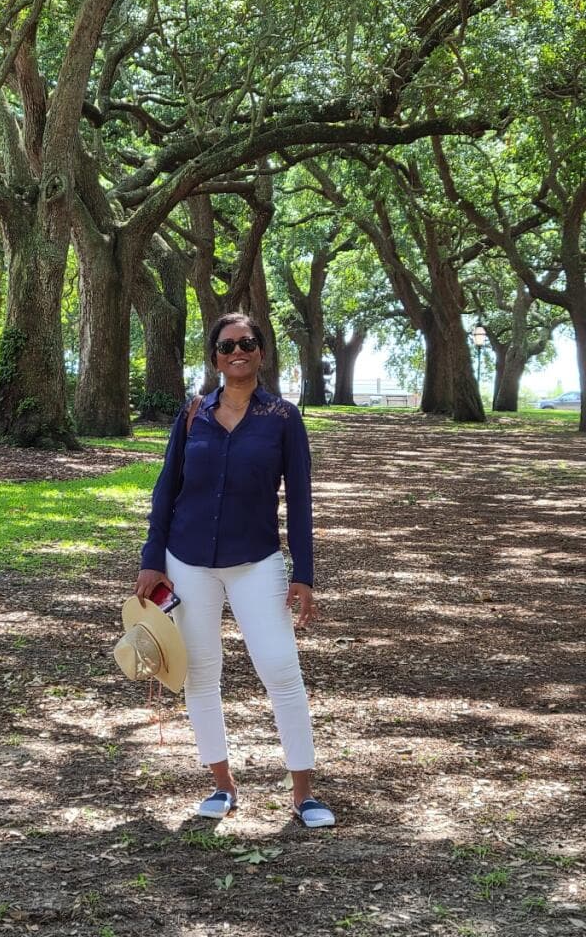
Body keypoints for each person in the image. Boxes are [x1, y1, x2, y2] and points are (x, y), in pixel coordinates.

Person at [134, 312, 335, 828]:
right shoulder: (192, 413)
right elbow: (166, 489)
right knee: (201, 676)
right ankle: (222, 785)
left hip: (256, 562)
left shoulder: (283, 418)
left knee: (280, 670)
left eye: (247, 343)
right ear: (215, 357)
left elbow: (302, 499)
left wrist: (304, 573)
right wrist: (152, 560)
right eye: (226, 346)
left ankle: (304, 793)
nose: (237, 352)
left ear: (261, 353)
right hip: (187, 562)